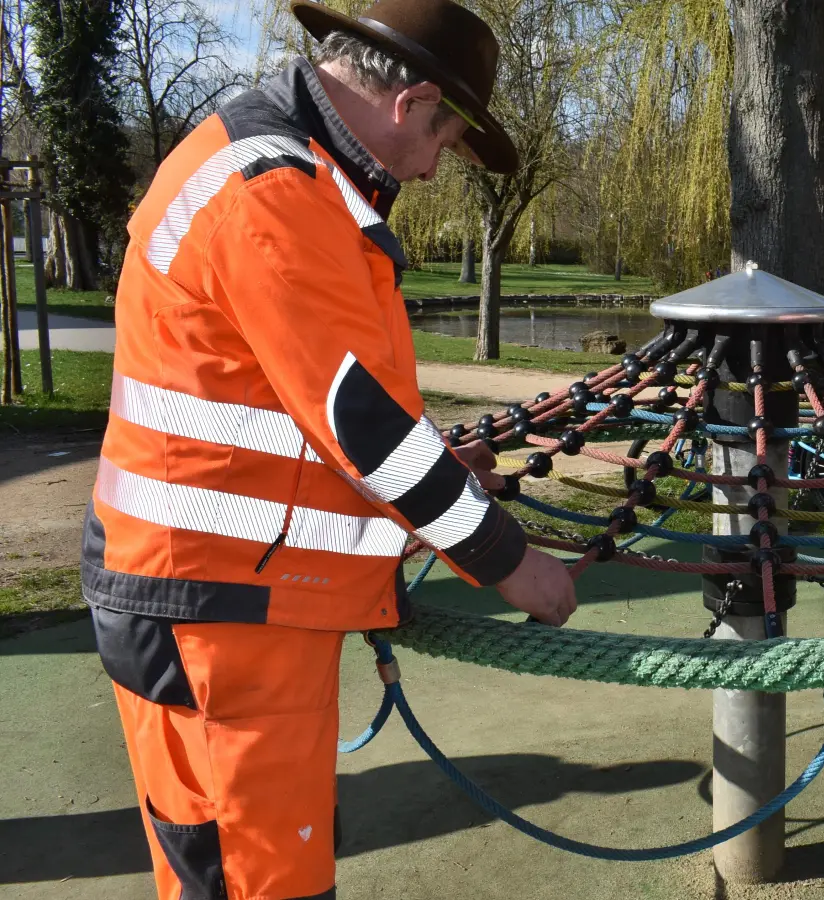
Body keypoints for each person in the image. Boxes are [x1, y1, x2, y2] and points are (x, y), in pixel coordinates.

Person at [80, 2, 577, 897]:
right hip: (216, 608)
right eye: (444, 140)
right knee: (256, 880)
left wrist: (430, 483)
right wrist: (512, 563)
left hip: (230, 596)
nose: (432, 168)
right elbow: (363, 427)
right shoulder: (276, 190)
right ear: (410, 100)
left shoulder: (289, 171)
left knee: (247, 871)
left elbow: (307, 409)